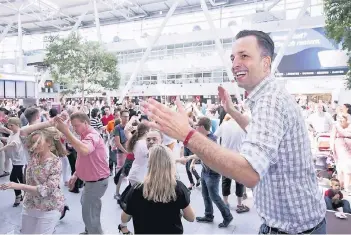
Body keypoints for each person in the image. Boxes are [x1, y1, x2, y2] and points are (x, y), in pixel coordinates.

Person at [142, 30, 326, 234]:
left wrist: (186, 134)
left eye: (244, 56)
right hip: (293, 226)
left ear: (266, 63)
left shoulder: (270, 101)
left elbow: (249, 173)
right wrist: (231, 111)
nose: (235, 63)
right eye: (233, 57)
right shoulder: (270, 95)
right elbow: (264, 135)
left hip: (293, 230)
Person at [0, 122, 68, 234]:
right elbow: (23, 132)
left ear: (49, 143)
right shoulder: (33, 155)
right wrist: (50, 122)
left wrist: (18, 185)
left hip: (49, 207)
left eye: (38, 142)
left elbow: (46, 189)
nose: (33, 145)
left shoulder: (55, 163)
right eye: (32, 142)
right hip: (30, 204)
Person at [119, 144, 195, 234]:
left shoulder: (137, 189)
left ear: (149, 164)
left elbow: (125, 217)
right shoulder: (178, 187)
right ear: (170, 164)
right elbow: (191, 217)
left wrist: (124, 227)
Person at [54, 112, 109, 234]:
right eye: (73, 126)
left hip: (96, 182)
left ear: (86, 123)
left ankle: (93, 232)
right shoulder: (85, 135)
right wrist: (76, 174)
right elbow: (85, 158)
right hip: (92, 181)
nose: (74, 128)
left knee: (90, 215)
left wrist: (66, 131)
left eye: (76, 125)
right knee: (87, 206)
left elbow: (84, 150)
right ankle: (89, 231)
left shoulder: (92, 136)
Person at [215, 114, 249, 213]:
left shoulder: (224, 125)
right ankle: (239, 204)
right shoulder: (243, 126)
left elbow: (215, 136)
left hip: (226, 157)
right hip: (239, 157)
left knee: (226, 180)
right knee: (240, 181)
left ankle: (225, 202)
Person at [0, 118, 26, 207]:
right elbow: (9, 136)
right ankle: (27, 193)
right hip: (15, 160)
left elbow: (14, 143)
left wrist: (2, 149)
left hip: (19, 160)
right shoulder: (13, 132)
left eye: (12, 125)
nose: (10, 127)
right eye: (9, 125)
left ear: (17, 124)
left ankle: (18, 195)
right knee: (20, 178)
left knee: (12, 178)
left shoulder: (19, 133)